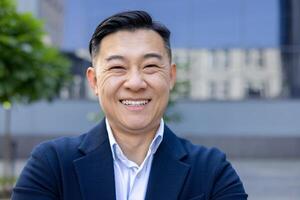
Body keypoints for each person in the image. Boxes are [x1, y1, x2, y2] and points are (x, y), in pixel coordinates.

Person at [12, 10, 247, 200]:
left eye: (150, 66)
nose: (135, 83)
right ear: (94, 81)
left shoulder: (212, 170)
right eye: (117, 68)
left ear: (171, 77)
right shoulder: (52, 165)